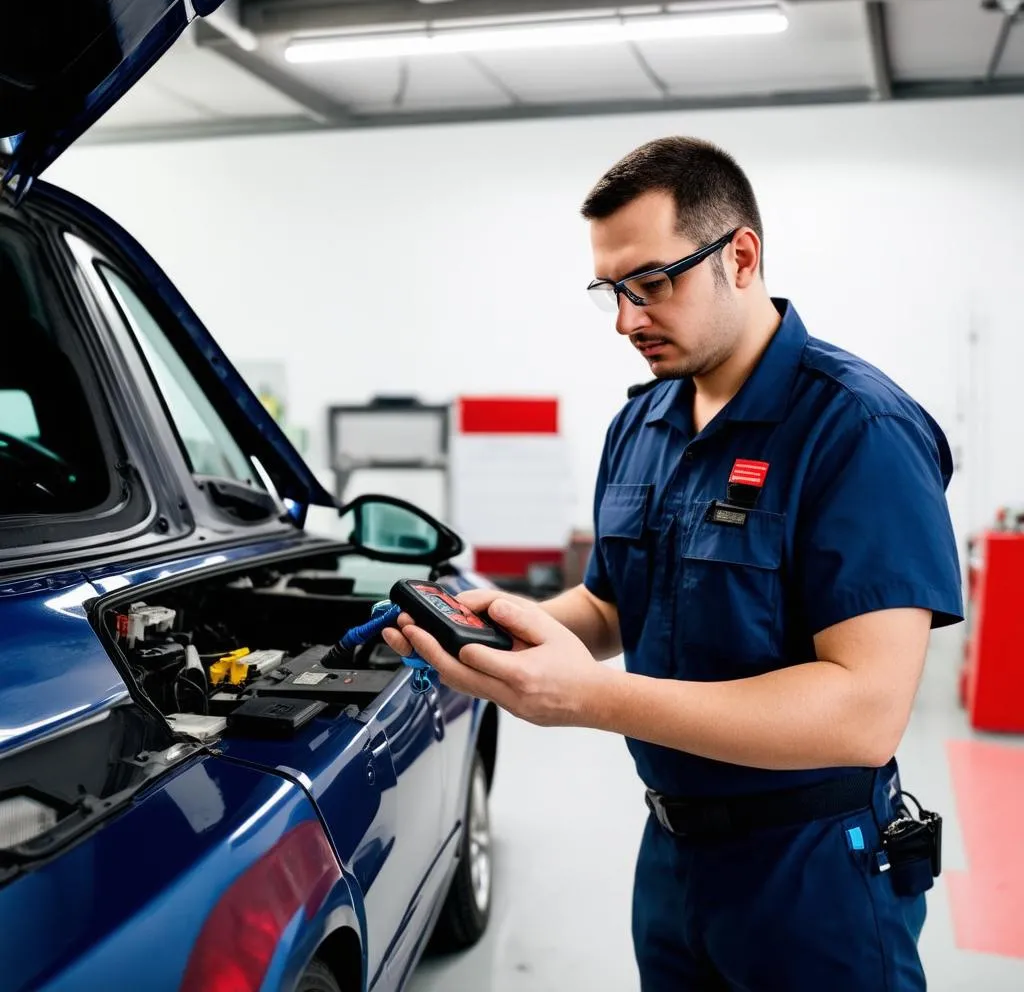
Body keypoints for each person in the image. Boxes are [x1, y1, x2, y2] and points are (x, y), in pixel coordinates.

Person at [384, 136, 963, 991]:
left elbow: (863, 712)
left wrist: (589, 699)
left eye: (651, 284)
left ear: (741, 255)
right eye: (610, 293)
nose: (627, 320)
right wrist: (507, 622)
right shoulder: (643, 424)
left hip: (814, 872)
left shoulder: (859, 431)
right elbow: (618, 606)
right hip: (673, 855)